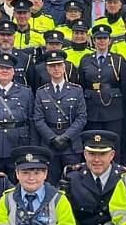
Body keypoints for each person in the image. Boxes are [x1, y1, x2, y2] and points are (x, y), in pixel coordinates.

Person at [78, 24, 126, 158]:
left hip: (113, 107)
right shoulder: (86, 59)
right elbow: (83, 83)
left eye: (105, 38)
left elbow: (124, 86)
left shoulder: (117, 59)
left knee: (113, 142)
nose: (102, 41)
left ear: (110, 40)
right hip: (92, 107)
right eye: (98, 38)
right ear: (93, 40)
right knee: (93, 141)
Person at [34, 49, 87, 183]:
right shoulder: (41, 92)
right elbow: (38, 120)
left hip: (71, 143)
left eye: (59, 65)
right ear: (47, 69)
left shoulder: (76, 90)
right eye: (52, 66)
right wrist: (52, 138)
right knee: (49, 181)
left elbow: (81, 117)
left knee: (73, 181)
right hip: (49, 144)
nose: (56, 68)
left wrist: (66, 137)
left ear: (65, 67)